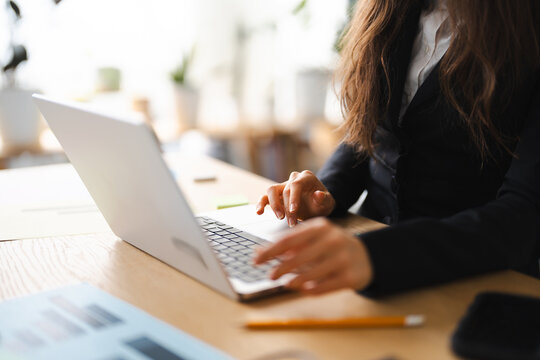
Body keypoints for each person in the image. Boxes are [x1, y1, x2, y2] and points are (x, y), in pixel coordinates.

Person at [253, 0, 540, 297]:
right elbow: (372, 132)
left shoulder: (528, 32)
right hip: (362, 262)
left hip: (471, 284)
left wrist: (376, 255)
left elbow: (523, 219)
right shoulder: (393, 10)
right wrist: (325, 191)